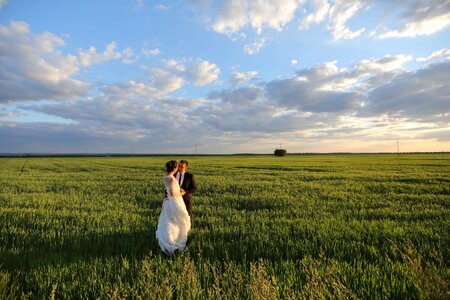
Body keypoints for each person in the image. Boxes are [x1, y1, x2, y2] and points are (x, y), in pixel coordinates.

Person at [156, 160, 191, 255]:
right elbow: (172, 193)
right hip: (175, 201)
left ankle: (167, 237)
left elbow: (169, 190)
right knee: (177, 220)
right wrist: (181, 192)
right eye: (177, 167)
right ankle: (175, 239)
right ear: (175, 168)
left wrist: (176, 190)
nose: (178, 168)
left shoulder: (166, 177)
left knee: (169, 220)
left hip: (168, 201)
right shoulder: (172, 178)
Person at [175, 160, 196, 224]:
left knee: (188, 214)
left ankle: (189, 229)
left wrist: (184, 192)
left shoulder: (189, 176)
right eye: (179, 166)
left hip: (186, 199)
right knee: (176, 215)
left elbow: (193, 188)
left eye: (182, 167)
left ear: (185, 168)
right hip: (175, 199)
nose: (179, 168)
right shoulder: (173, 174)